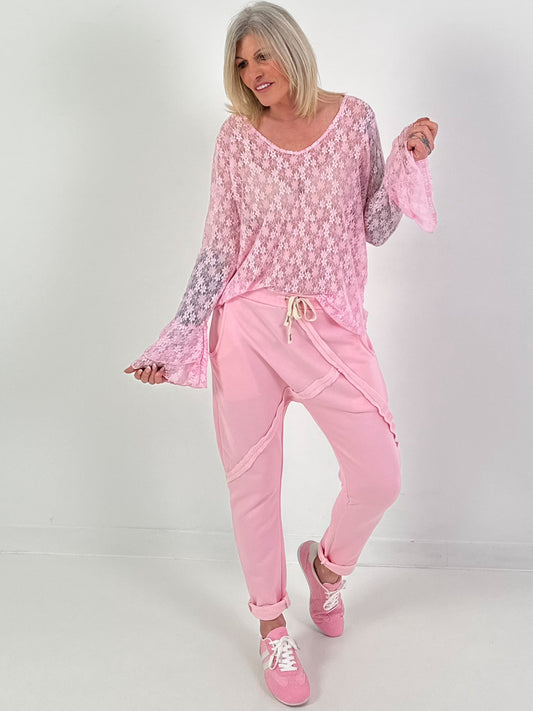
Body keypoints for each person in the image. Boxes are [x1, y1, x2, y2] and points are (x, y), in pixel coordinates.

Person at [124, 1, 438, 705]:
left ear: (290, 49)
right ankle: (272, 625)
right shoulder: (236, 139)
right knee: (253, 485)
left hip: (331, 327)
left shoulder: (354, 119)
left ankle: (326, 571)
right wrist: (177, 337)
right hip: (248, 326)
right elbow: (218, 248)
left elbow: (375, 226)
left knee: (379, 474)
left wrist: (404, 160)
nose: (252, 72)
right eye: (241, 63)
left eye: (261, 55)